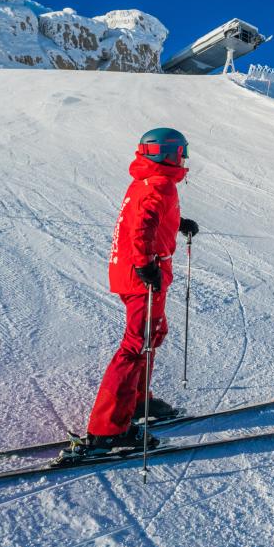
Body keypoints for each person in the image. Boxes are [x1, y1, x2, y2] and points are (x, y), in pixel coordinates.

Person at [67, 127, 200, 456]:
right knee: (136, 344)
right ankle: (108, 430)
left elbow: (148, 217)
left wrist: (177, 222)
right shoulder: (160, 183)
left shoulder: (147, 179)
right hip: (143, 275)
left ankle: (137, 401)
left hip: (136, 272)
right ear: (165, 154)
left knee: (151, 335)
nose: (184, 159)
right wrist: (144, 265)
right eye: (180, 153)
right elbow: (141, 225)